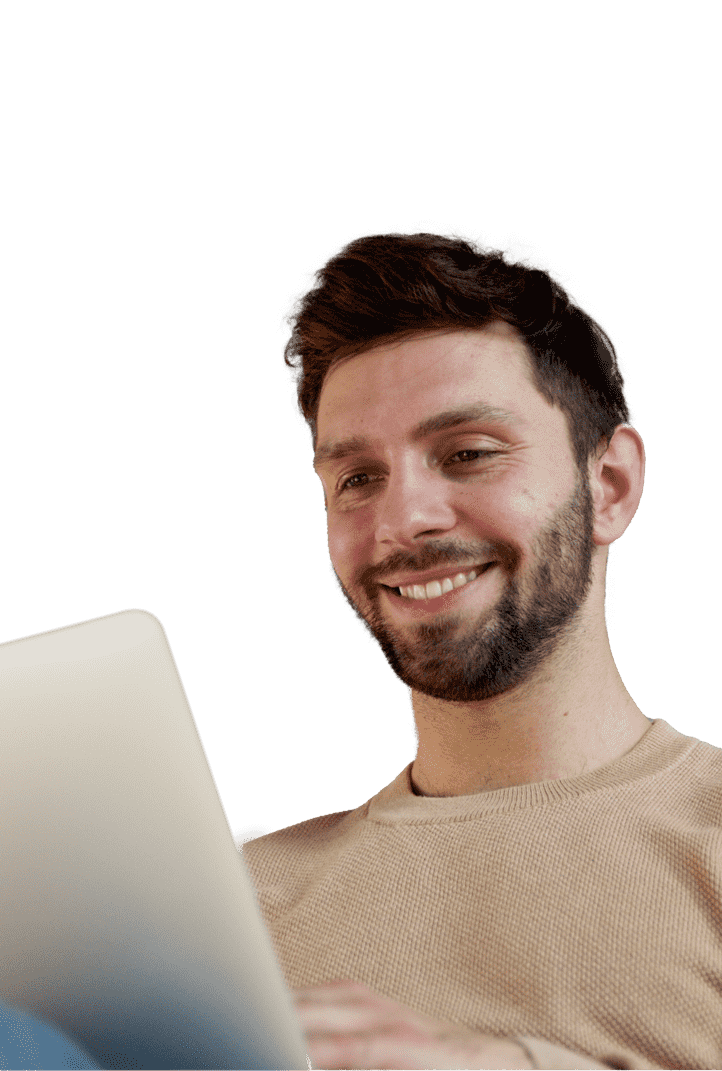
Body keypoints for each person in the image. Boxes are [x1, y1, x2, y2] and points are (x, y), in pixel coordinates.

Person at [240, 229, 722, 1071]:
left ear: (607, 486)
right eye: (357, 478)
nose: (404, 520)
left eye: (467, 453)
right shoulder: (237, 908)